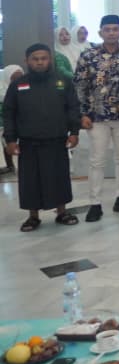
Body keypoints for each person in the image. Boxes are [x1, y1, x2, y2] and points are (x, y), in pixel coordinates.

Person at [4, 44, 79, 231]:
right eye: (35, 59)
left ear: (50, 60)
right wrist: (10, 139)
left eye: (43, 58)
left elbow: (72, 108)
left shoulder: (62, 81)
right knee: (30, 180)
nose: (39, 62)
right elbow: (9, 113)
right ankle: (33, 217)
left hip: (56, 139)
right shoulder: (17, 85)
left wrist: (74, 132)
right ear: (27, 61)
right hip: (29, 142)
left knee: (59, 177)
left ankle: (62, 212)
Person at [73, 14, 119, 221]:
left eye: (115, 29)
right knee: (97, 160)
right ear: (100, 32)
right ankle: (95, 203)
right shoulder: (88, 55)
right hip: (96, 116)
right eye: (107, 29)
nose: (111, 33)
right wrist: (82, 113)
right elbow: (80, 86)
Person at [0, 64, 23, 175]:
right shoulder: (2, 91)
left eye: (20, 77)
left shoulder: (27, 88)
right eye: (14, 78)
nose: (18, 80)